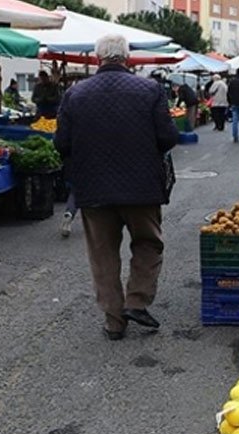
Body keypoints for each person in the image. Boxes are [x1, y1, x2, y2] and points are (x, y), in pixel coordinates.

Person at [54, 34, 179, 341]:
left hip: (93, 189)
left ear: (98, 58)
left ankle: (114, 322)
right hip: (142, 187)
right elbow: (167, 137)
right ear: (127, 57)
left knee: (103, 254)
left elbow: (61, 143)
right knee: (148, 243)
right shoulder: (150, 89)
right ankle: (136, 301)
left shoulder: (75, 94)